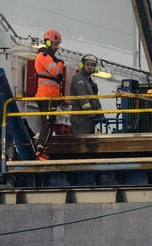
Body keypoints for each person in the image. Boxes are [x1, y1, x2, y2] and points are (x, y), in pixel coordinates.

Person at [33, 29, 66, 158]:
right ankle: (39, 151)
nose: (57, 47)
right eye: (55, 44)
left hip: (51, 97)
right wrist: (61, 63)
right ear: (47, 43)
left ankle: (43, 151)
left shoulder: (50, 56)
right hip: (45, 97)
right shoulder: (43, 56)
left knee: (50, 124)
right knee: (47, 124)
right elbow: (56, 70)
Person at [69, 54, 102, 136]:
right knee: (82, 145)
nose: (90, 67)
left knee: (88, 145)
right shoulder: (78, 78)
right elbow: (83, 99)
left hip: (88, 120)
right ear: (82, 65)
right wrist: (91, 114)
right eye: (87, 64)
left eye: (92, 65)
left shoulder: (91, 82)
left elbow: (95, 100)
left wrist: (100, 114)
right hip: (80, 118)